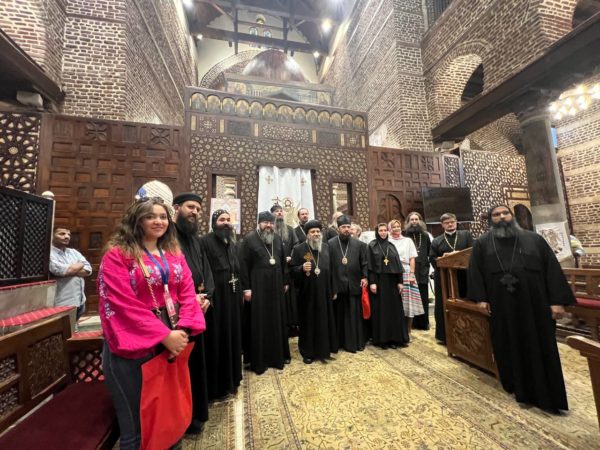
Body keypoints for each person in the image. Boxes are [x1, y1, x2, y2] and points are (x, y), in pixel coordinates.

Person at [97, 197, 205, 449]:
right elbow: (120, 302)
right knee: (139, 426)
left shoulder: (174, 254)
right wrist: (164, 335)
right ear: (136, 220)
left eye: (163, 217)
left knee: (168, 414)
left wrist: (183, 329)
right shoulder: (118, 255)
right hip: (135, 346)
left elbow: (187, 291)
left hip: (172, 341)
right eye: (150, 216)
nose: (158, 221)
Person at [468, 205, 575, 411]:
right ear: (490, 219)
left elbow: (552, 269)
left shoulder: (534, 239)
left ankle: (548, 391)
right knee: (508, 343)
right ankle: (517, 387)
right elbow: (475, 273)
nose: (501, 217)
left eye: (505, 213)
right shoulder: (482, 243)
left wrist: (557, 301)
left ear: (512, 216)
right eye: (496, 215)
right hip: (502, 306)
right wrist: (480, 299)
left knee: (541, 344)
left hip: (536, 305)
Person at [173, 192, 214, 434]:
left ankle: (197, 410)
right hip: (178, 314)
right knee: (182, 366)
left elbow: (206, 270)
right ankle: (182, 418)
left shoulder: (195, 239)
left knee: (197, 363)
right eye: (190, 207)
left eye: (198, 209)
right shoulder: (168, 238)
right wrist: (190, 300)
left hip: (199, 309)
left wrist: (208, 296)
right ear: (176, 208)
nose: (195, 212)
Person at [239, 211, 290, 373]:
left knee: (276, 319)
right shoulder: (249, 239)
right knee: (259, 321)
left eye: (271, 223)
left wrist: (285, 281)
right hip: (258, 286)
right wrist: (246, 288)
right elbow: (243, 265)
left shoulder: (277, 239)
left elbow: (283, 262)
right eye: (265, 222)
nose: (268, 225)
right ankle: (260, 360)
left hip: (276, 285)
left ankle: (277, 356)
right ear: (259, 223)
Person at [200, 210, 243, 399]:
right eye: (221, 220)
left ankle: (232, 379)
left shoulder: (232, 242)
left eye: (228, 219)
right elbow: (203, 271)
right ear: (213, 223)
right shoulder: (204, 242)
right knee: (218, 338)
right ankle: (218, 386)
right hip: (217, 299)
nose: (225, 223)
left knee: (232, 336)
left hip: (232, 297)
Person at [290, 220, 338, 363]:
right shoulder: (299, 249)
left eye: (318, 231)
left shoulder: (326, 248)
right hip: (307, 294)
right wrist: (301, 269)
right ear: (307, 234)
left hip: (325, 292)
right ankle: (308, 352)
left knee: (324, 321)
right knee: (308, 323)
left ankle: (324, 350)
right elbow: (291, 271)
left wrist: (334, 289)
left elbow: (333, 270)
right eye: (313, 232)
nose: (316, 234)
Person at [429, 213, 473, 344]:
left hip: (464, 276)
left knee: (466, 302)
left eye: (452, 222)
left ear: (456, 222)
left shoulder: (466, 235)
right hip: (445, 278)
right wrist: (444, 257)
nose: (450, 224)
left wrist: (459, 255)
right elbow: (433, 259)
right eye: (447, 223)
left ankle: (469, 334)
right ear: (442, 225)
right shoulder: (437, 241)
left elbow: (473, 251)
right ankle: (445, 336)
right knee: (444, 304)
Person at [329, 214, 368, 352]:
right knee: (340, 315)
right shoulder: (330, 244)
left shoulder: (359, 244)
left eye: (348, 227)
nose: (346, 229)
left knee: (354, 315)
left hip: (354, 284)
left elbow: (364, 262)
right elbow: (328, 265)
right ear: (338, 229)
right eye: (343, 227)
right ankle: (340, 343)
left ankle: (355, 342)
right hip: (338, 285)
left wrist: (365, 277)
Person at [367, 223, 409, 348]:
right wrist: (372, 282)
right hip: (379, 282)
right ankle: (383, 340)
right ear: (377, 232)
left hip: (392, 283)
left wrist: (400, 282)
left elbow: (398, 265)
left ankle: (395, 339)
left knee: (394, 310)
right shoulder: (371, 246)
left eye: (385, 230)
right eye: (381, 230)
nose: (383, 232)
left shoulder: (391, 245)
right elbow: (370, 266)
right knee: (381, 311)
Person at [388, 219, 423, 337]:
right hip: (392, 272)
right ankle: (396, 331)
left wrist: (412, 274)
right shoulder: (387, 242)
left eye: (398, 226)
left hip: (406, 271)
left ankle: (408, 331)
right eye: (393, 227)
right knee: (395, 302)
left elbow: (412, 258)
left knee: (408, 303)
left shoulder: (408, 241)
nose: (396, 229)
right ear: (389, 229)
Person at [49, 226, 92, 321]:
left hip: (80, 300)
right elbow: (61, 271)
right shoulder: (48, 253)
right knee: (64, 328)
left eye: (69, 234)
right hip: (63, 302)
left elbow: (88, 270)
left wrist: (71, 269)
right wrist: (80, 264)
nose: (67, 236)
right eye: (62, 234)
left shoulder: (73, 252)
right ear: (52, 235)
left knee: (74, 326)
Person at [271, 204, 300, 334]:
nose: (280, 213)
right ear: (272, 214)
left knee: (290, 298)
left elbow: (296, 246)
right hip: (275, 269)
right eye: (276, 211)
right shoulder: (269, 230)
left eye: (281, 211)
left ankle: (291, 324)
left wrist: (291, 257)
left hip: (289, 269)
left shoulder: (290, 229)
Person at [404, 212, 432, 330]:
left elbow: (430, 252)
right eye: (412, 219)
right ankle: (411, 323)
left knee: (423, 296)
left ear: (420, 221)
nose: (414, 221)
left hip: (422, 270)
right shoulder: (404, 235)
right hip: (409, 271)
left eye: (416, 219)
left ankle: (423, 323)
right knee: (411, 297)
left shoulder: (425, 235)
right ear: (408, 221)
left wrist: (429, 268)